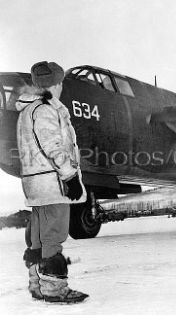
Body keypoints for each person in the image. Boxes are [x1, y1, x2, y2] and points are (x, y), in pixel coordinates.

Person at [16, 61, 88, 303]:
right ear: (55, 84)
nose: (61, 88)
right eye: (60, 83)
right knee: (53, 235)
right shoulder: (47, 109)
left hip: (35, 183)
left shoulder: (27, 110)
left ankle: (37, 284)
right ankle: (55, 289)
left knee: (38, 236)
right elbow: (53, 147)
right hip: (52, 182)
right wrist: (70, 176)